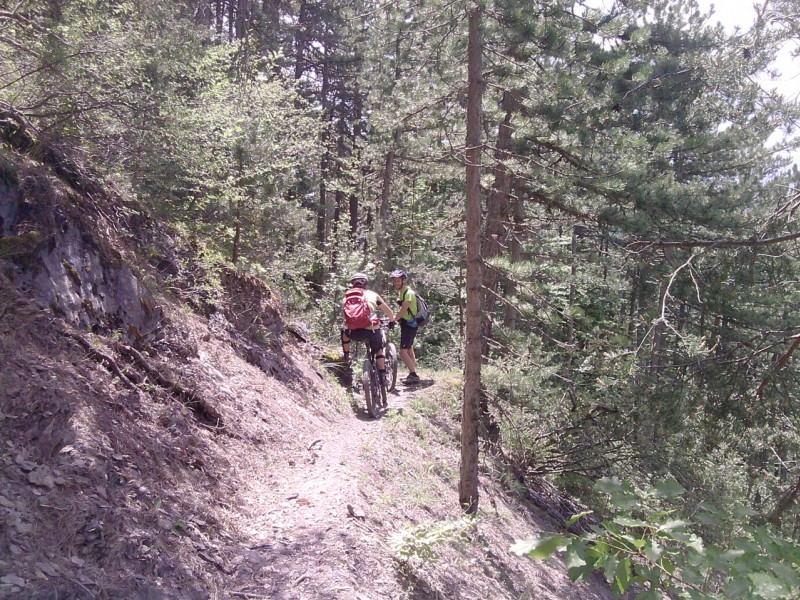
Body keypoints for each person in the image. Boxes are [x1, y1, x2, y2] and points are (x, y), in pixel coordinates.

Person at [341, 272, 396, 386]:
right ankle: (382, 376)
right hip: (372, 331)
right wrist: (392, 321)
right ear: (366, 284)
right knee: (379, 350)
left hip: (354, 333)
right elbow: (388, 311)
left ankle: (347, 355)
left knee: (344, 332)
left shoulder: (347, 297)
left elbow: (345, 316)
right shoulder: (373, 295)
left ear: (353, 285)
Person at [390, 269, 421, 384]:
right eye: (394, 281)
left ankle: (413, 375)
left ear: (404, 281)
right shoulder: (402, 292)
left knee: (403, 352)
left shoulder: (408, 293)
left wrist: (394, 320)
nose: (396, 283)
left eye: (398, 281)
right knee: (409, 349)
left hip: (410, 325)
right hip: (407, 323)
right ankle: (412, 372)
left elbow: (403, 310)